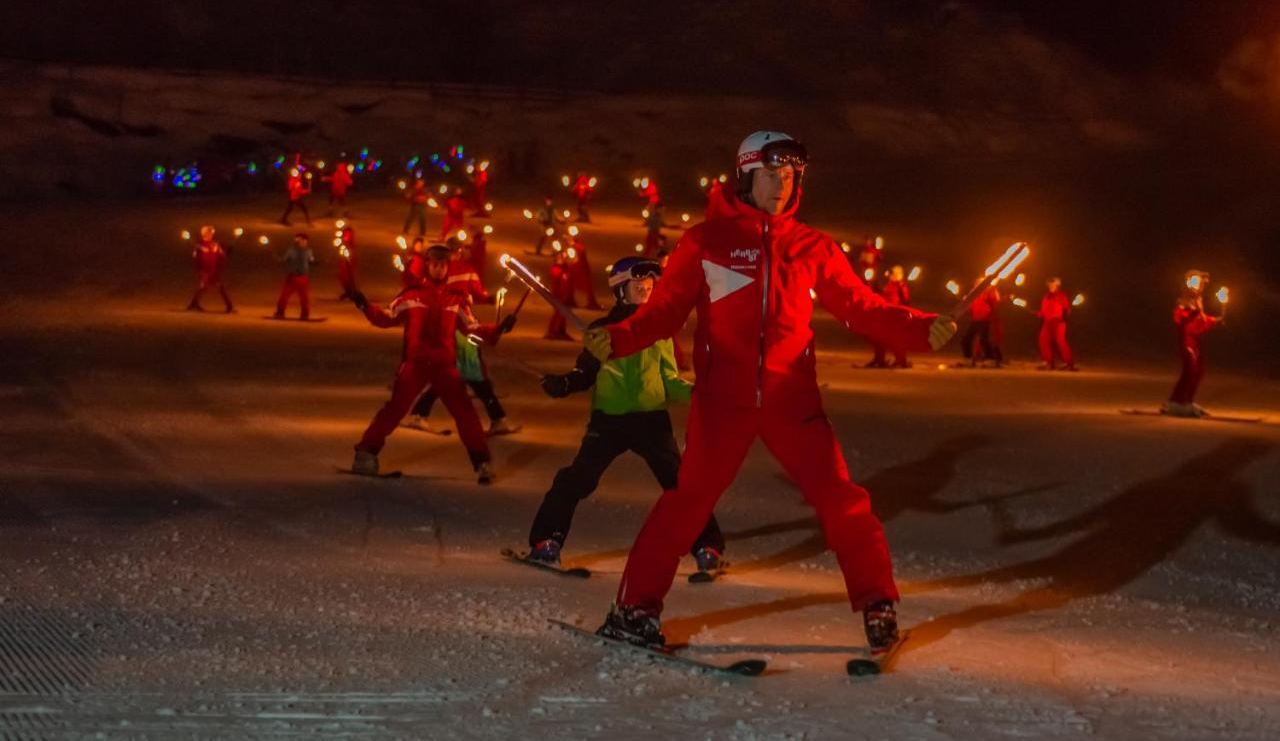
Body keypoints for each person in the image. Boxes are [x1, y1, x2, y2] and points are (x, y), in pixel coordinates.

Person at [582, 130, 957, 653]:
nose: (782, 185)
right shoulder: (704, 242)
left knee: (842, 500)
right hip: (723, 402)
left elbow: (861, 307)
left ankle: (878, 606)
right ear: (745, 174)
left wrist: (920, 327)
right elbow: (664, 313)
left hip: (792, 401)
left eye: (791, 176)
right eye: (771, 174)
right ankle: (633, 610)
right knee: (686, 503)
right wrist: (617, 336)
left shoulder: (811, 246)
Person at [527, 257, 727, 574]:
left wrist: (699, 395)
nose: (646, 294)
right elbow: (585, 373)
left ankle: (707, 545)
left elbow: (668, 380)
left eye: (649, 288)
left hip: (651, 420)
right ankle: (545, 543)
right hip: (609, 421)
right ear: (621, 291)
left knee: (680, 483)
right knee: (575, 479)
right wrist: (564, 383)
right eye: (638, 288)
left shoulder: (660, 331)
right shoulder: (603, 331)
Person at [348, 244, 496, 483]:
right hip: (415, 364)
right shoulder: (412, 294)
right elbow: (387, 317)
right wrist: (366, 306)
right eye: (435, 264)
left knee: (464, 411)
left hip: (444, 365)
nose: (439, 269)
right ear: (427, 265)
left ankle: (481, 462)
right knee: (395, 408)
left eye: (443, 265)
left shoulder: (456, 298)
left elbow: (472, 327)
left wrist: (496, 329)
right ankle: (365, 453)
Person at [403, 304, 519, 436]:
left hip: (470, 362)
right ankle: (418, 415)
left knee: (484, 391)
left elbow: (483, 333)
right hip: (453, 360)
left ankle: (498, 420)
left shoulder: (466, 312)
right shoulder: (448, 311)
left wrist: (500, 328)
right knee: (439, 387)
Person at [1163, 270, 1224, 418]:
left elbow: (1200, 322)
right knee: (1190, 371)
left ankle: (1182, 402)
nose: (1201, 286)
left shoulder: (1198, 301)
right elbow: (1182, 319)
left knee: (1198, 372)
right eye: (1199, 282)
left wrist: (1216, 320)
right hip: (1186, 342)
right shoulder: (1184, 301)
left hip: (1195, 342)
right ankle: (1179, 403)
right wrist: (1193, 313)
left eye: (1202, 283)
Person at [866, 265, 912, 368]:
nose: (890, 276)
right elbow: (885, 296)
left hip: (895, 315)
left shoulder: (901, 286)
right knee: (879, 337)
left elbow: (905, 301)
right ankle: (879, 359)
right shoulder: (891, 285)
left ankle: (901, 360)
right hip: (887, 314)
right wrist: (874, 288)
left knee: (895, 339)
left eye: (892, 274)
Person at [187, 225, 235, 313]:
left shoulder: (215, 244)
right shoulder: (199, 246)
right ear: (204, 234)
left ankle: (229, 306)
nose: (211, 235)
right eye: (209, 233)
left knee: (217, 287)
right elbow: (195, 258)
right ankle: (194, 304)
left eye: (211, 233)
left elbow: (222, 255)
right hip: (204, 270)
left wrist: (228, 251)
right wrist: (199, 269)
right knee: (204, 286)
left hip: (213, 270)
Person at [1035, 277, 1076, 371]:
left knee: (1060, 341)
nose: (1051, 286)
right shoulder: (1046, 296)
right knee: (1043, 340)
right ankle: (1048, 362)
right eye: (1049, 284)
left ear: (1057, 285)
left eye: (1053, 284)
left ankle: (1069, 363)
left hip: (1058, 322)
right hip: (1047, 322)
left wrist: (1063, 316)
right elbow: (1044, 309)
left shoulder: (1061, 296)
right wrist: (1040, 313)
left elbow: (1067, 309)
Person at [274, 233, 315, 320]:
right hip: (292, 277)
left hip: (303, 277)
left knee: (304, 297)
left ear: (305, 241)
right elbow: (284, 259)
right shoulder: (291, 251)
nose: (298, 241)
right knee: (285, 295)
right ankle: (280, 312)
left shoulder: (308, 251)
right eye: (297, 240)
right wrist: (279, 259)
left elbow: (311, 260)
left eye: (300, 240)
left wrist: (316, 262)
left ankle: (305, 314)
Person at [961, 282, 1003, 367]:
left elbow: (995, 303)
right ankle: (968, 359)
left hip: (985, 319)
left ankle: (990, 359)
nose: (976, 284)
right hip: (975, 319)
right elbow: (970, 309)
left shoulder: (990, 292)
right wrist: (966, 302)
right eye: (976, 283)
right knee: (966, 339)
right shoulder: (974, 294)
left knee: (984, 340)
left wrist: (990, 300)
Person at [336, 225, 358, 301]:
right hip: (343, 264)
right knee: (343, 278)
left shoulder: (351, 246)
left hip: (349, 264)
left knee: (350, 279)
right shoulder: (342, 244)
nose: (347, 237)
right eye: (345, 235)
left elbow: (353, 256)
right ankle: (347, 292)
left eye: (349, 235)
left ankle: (352, 294)